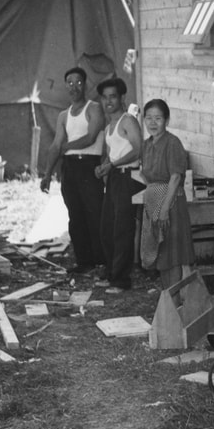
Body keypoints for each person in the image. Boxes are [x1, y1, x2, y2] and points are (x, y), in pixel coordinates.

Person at [40, 66, 106, 274]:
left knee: (94, 212)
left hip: (89, 166)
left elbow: (91, 137)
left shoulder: (94, 108)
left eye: (78, 82)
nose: (74, 86)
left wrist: (66, 147)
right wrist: (47, 174)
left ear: (85, 85)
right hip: (70, 169)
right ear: (65, 86)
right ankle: (84, 261)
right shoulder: (63, 116)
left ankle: (102, 261)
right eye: (70, 82)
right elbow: (55, 145)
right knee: (75, 215)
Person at [139, 99, 194, 291]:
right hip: (154, 205)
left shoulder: (172, 143)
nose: (152, 123)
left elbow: (176, 177)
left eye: (158, 118)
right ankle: (169, 302)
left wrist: (163, 209)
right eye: (148, 118)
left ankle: (176, 301)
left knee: (172, 256)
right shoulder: (146, 144)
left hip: (170, 205)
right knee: (160, 255)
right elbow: (147, 176)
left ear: (167, 120)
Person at [93, 78, 143, 293]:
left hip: (128, 177)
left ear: (122, 98)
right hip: (114, 177)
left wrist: (112, 164)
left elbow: (138, 150)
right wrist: (103, 166)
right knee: (107, 228)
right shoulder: (109, 126)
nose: (108, 101)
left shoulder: (127, 121)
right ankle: (112, 272)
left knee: (122, 229)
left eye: (112, 96)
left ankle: (121, 280)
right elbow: (114, 154)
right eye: (104, 97)